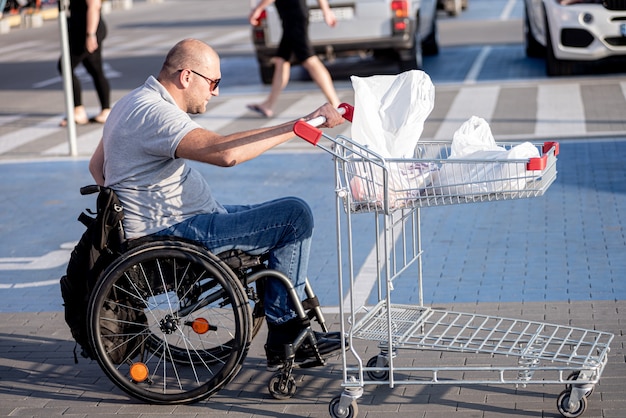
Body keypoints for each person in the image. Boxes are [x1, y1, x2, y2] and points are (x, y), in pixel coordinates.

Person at [89, 38, 346, 371]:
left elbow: (98, 167)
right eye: (213, 83)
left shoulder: (131, 101)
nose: (216, 92)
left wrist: (136, 202)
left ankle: (288, 326)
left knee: (271, 216)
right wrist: (300, 125)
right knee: (293, 216)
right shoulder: (155, 113)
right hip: (174, 233)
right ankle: (286, 334)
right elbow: (225, 153)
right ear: (186, 77)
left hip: (178, 222)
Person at [247, 0, 340, 118]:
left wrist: (257, 9)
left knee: (309, 59)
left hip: (294, 18)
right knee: (282, 60)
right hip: (291, 18)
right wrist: (326, 11)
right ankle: (268, 105)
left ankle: (335, 103)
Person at [58, 0, 111, 126]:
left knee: (65, 66)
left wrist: (90, 35)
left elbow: (94, 6)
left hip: (87, 31)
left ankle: (78, 110)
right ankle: (105, 110)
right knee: (94, 69)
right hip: (83, 30)